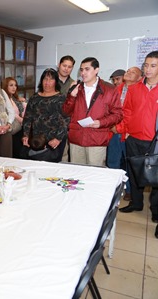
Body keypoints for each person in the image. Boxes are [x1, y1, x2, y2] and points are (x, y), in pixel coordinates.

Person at [115, 51, 158, 225]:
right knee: (134, 173)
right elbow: (127, 112)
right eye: (146, 65)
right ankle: (136, 203)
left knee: (155, 178)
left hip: (154, 142)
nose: (148, 69)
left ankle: (155, 210)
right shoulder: (134, 89)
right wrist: (126, 131)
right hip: (134, 138)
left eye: (153, 65)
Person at [63, 57, 122, 166]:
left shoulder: (109, 89)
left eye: (87, 69)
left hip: (97, 139)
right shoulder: (76, 88)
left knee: (95, 174)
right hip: (77, 138)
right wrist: (71, 96)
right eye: (81, 70)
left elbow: (118, 114)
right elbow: (66, 112)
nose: (83, 73)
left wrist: (101, 122)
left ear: (96, 70)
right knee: (77, 174)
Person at [108, 67, 143, 200]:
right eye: (128, 71)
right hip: (113, 131)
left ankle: (129, 189)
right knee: (113, 162)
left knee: (129, 164)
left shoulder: (140, 91)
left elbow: (134, 114)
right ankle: (113, 188)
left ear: (140, 78)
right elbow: (110, 109)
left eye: (133, 72)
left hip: (129, 133)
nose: (128, 73)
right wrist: (111, 125)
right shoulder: (117, 89)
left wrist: (120, 128)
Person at [22, 68, 69, 162]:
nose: (47, 82)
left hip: (55, 140)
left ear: (56, 82)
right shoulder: (35, 97)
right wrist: (25, 135)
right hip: (38, 141)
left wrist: (58, 139)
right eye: (45, 79)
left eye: (51, 79)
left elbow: (66, 120)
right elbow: (27, 118)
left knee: (53, 168)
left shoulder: (61, 98)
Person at [2, 77, 27, 158]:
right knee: (15, 153)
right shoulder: (3, 99)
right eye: (11, 85)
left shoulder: (15, 98)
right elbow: (12, 113)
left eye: (15, 85)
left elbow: (22, 111)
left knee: (21, 152)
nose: (14, 87)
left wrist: (23, 102)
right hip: (12, 130)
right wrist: (22, 120)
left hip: (20, 128)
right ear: (6, 86)